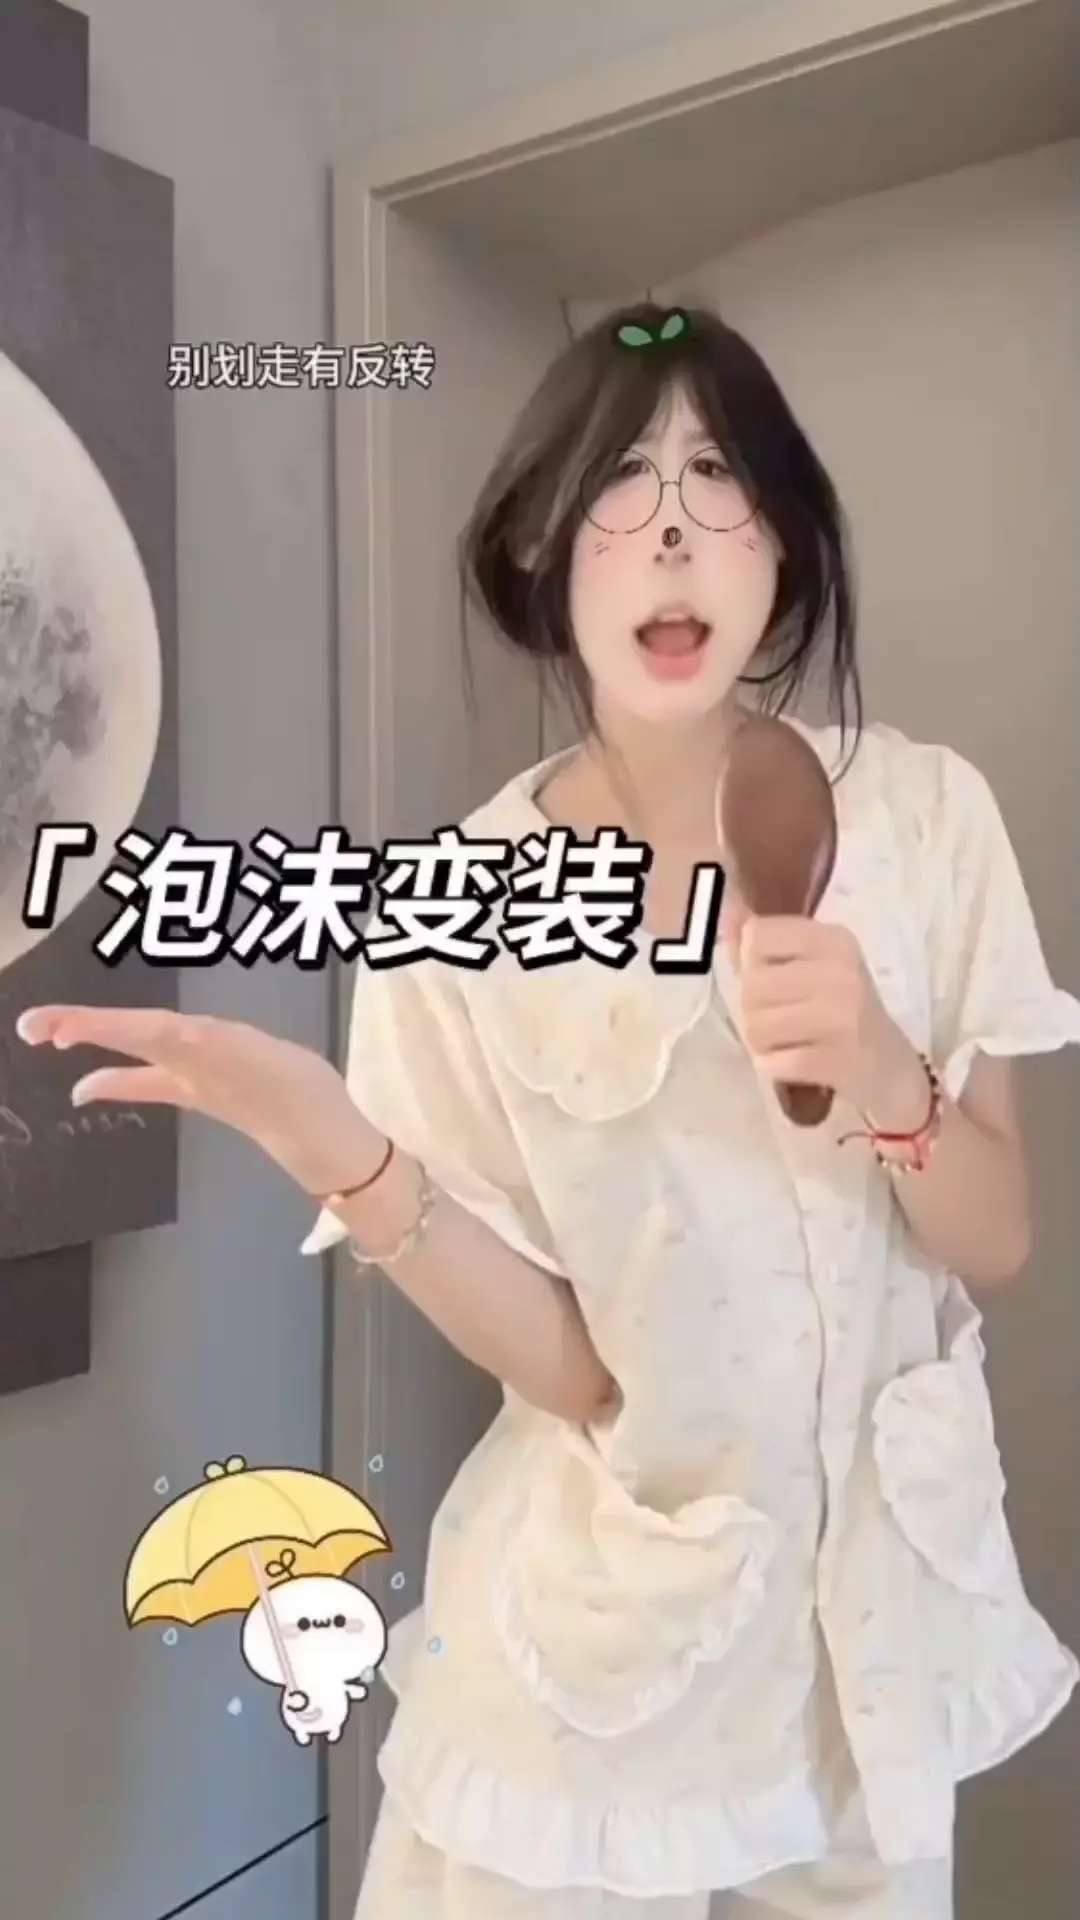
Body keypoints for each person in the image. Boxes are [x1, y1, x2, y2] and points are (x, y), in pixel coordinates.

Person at [17, 303, 1080, 1919]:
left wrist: (882, 1067)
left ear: (785, 542)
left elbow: (994, 1237)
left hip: (872, 1679)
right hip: (592, 1687)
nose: (672, 530)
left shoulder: (929, 820)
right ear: (539, 545)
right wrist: (335, 1146)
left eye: (719, 476)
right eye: (621, 481)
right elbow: (577, 1371)